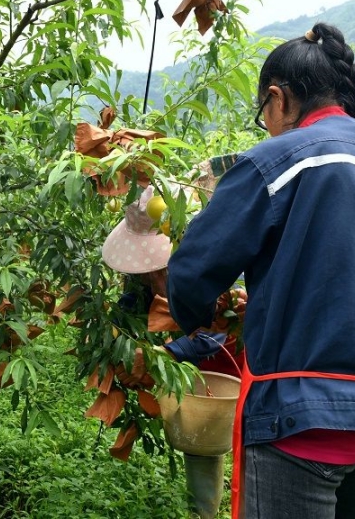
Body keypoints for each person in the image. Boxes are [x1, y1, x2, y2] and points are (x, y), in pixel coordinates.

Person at [166, 23, 355, 519]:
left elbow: (192, 271)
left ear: (277, 98)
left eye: (263, 112)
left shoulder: (276, 162)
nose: (265, 124)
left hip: (297, 420)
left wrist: (202, 323)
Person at [102, 183, 245, 519]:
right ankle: (202, 510)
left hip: (228, 360)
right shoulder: (143, 277)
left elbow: (218, 329)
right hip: (186, 367)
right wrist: (120, 343)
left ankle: (239, 504)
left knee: (240, 436)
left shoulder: (209, 261)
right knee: (201, 436)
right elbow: (131, 309)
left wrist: (168, 354)